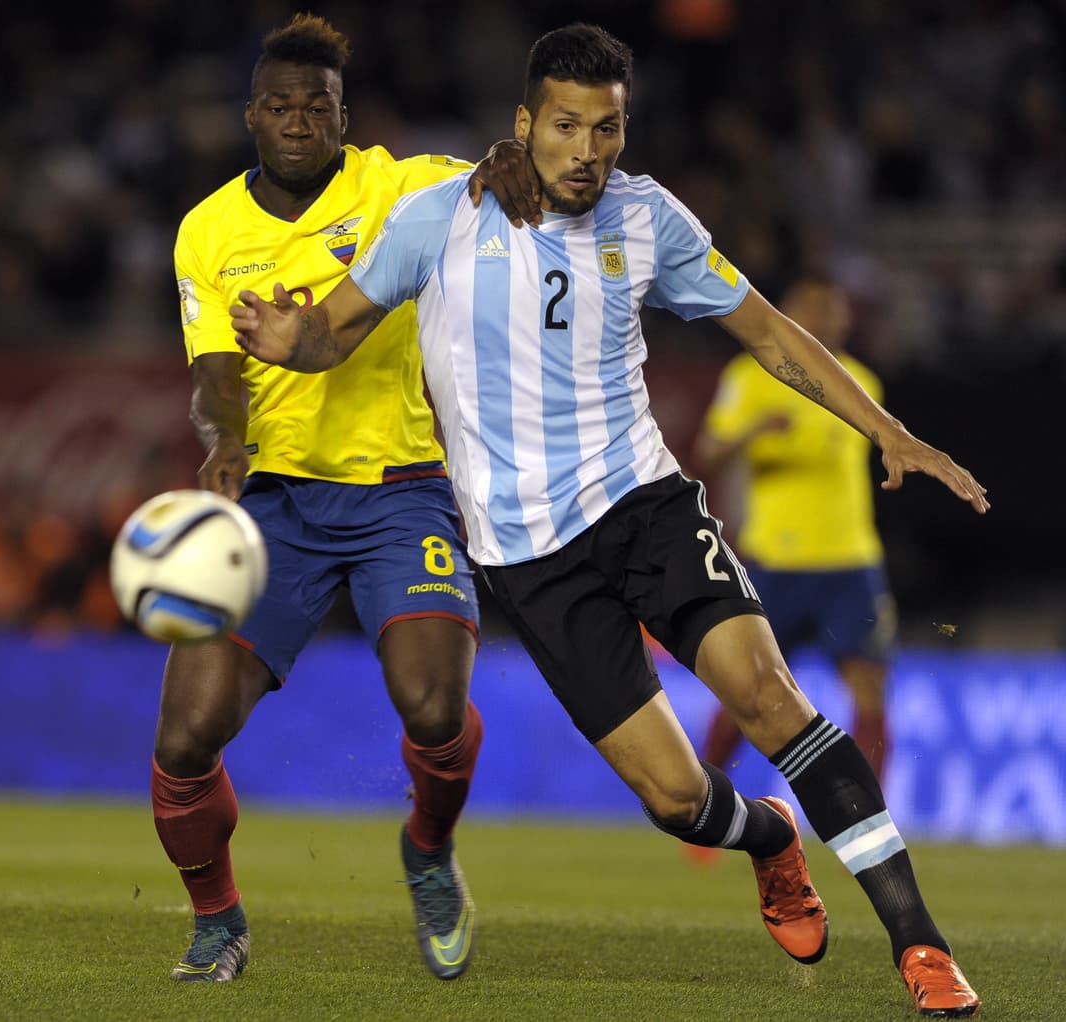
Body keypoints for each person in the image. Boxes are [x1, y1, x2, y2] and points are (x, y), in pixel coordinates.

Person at [232, 23, 984, 1018]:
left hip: (645, 507)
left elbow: (763, 329)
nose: (587, 149)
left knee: (768, 695)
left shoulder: (648, 218)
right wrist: (289, 339)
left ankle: (921, 947)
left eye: (606, 128)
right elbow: (331, 330)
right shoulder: (436, 221)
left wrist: (887, 429)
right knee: (677, 802)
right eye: (564, 126)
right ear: (522, 125)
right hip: (529, 561)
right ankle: (766, 837)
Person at [154, 13, 538, 986]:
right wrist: (226, 444)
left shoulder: (396, 184)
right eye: (278, 106)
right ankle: (215, 918)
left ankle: (427, 851)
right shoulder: (207, 229)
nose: (296, 122)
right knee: (185, 736)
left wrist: (508, 159)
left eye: (314, 107)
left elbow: (488, 173)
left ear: (341, 116)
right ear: (250, 116)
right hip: (274, 501)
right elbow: (212, 371)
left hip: (397, 492)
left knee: (433, 704)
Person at [694, 276, 895, 789]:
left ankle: (873, 821)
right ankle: (704, 812)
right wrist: (752, 432)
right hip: (774, 561)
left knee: (869, 691)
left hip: (849, 560)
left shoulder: (861, 383)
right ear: (783, 313)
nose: (824, 318)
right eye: (811, 306)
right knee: (747, 693)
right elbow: (707, 454)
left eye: (833, 308)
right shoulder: (749, 377)